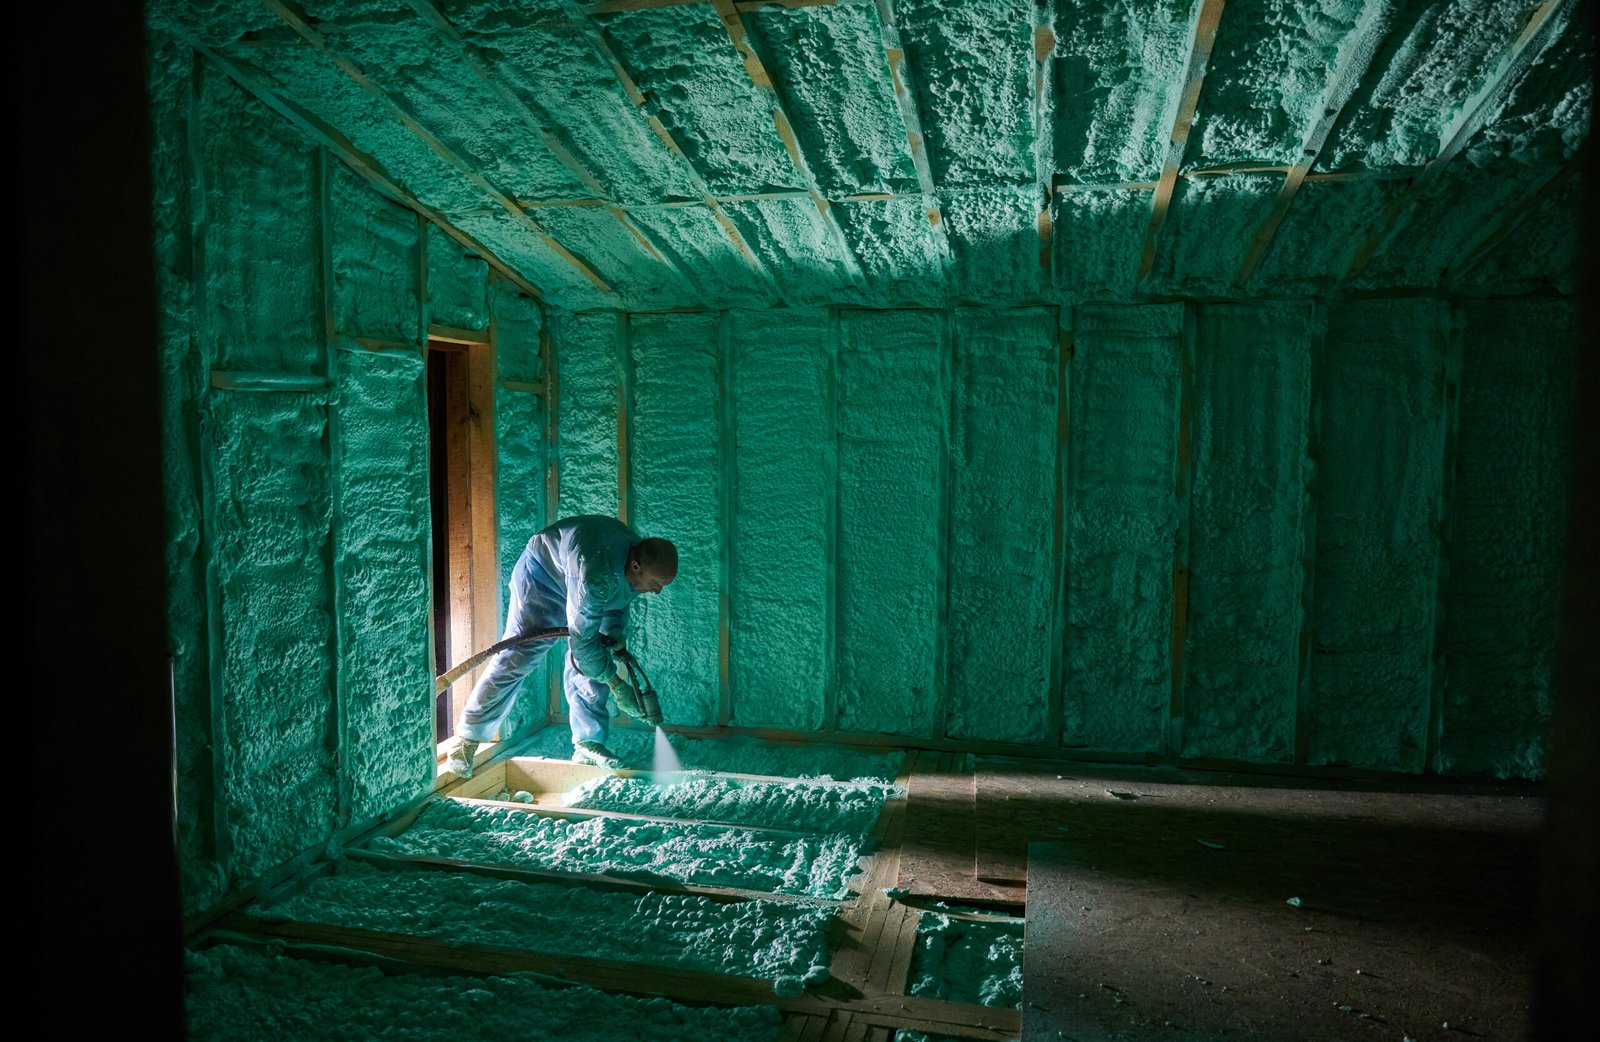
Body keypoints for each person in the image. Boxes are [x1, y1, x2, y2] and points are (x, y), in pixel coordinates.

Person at [442, 515, 678, 776]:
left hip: (582, 574)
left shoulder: (635, 556)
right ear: (635, 565)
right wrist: (617, 685)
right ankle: (468, 736)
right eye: (656, 584)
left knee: (599, 650)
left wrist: (614, 632)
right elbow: (583, 644)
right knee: (519, 655)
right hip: (543, 578)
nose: (657, 592)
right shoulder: (596, 572)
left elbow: (619, 597)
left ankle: (588, 742)